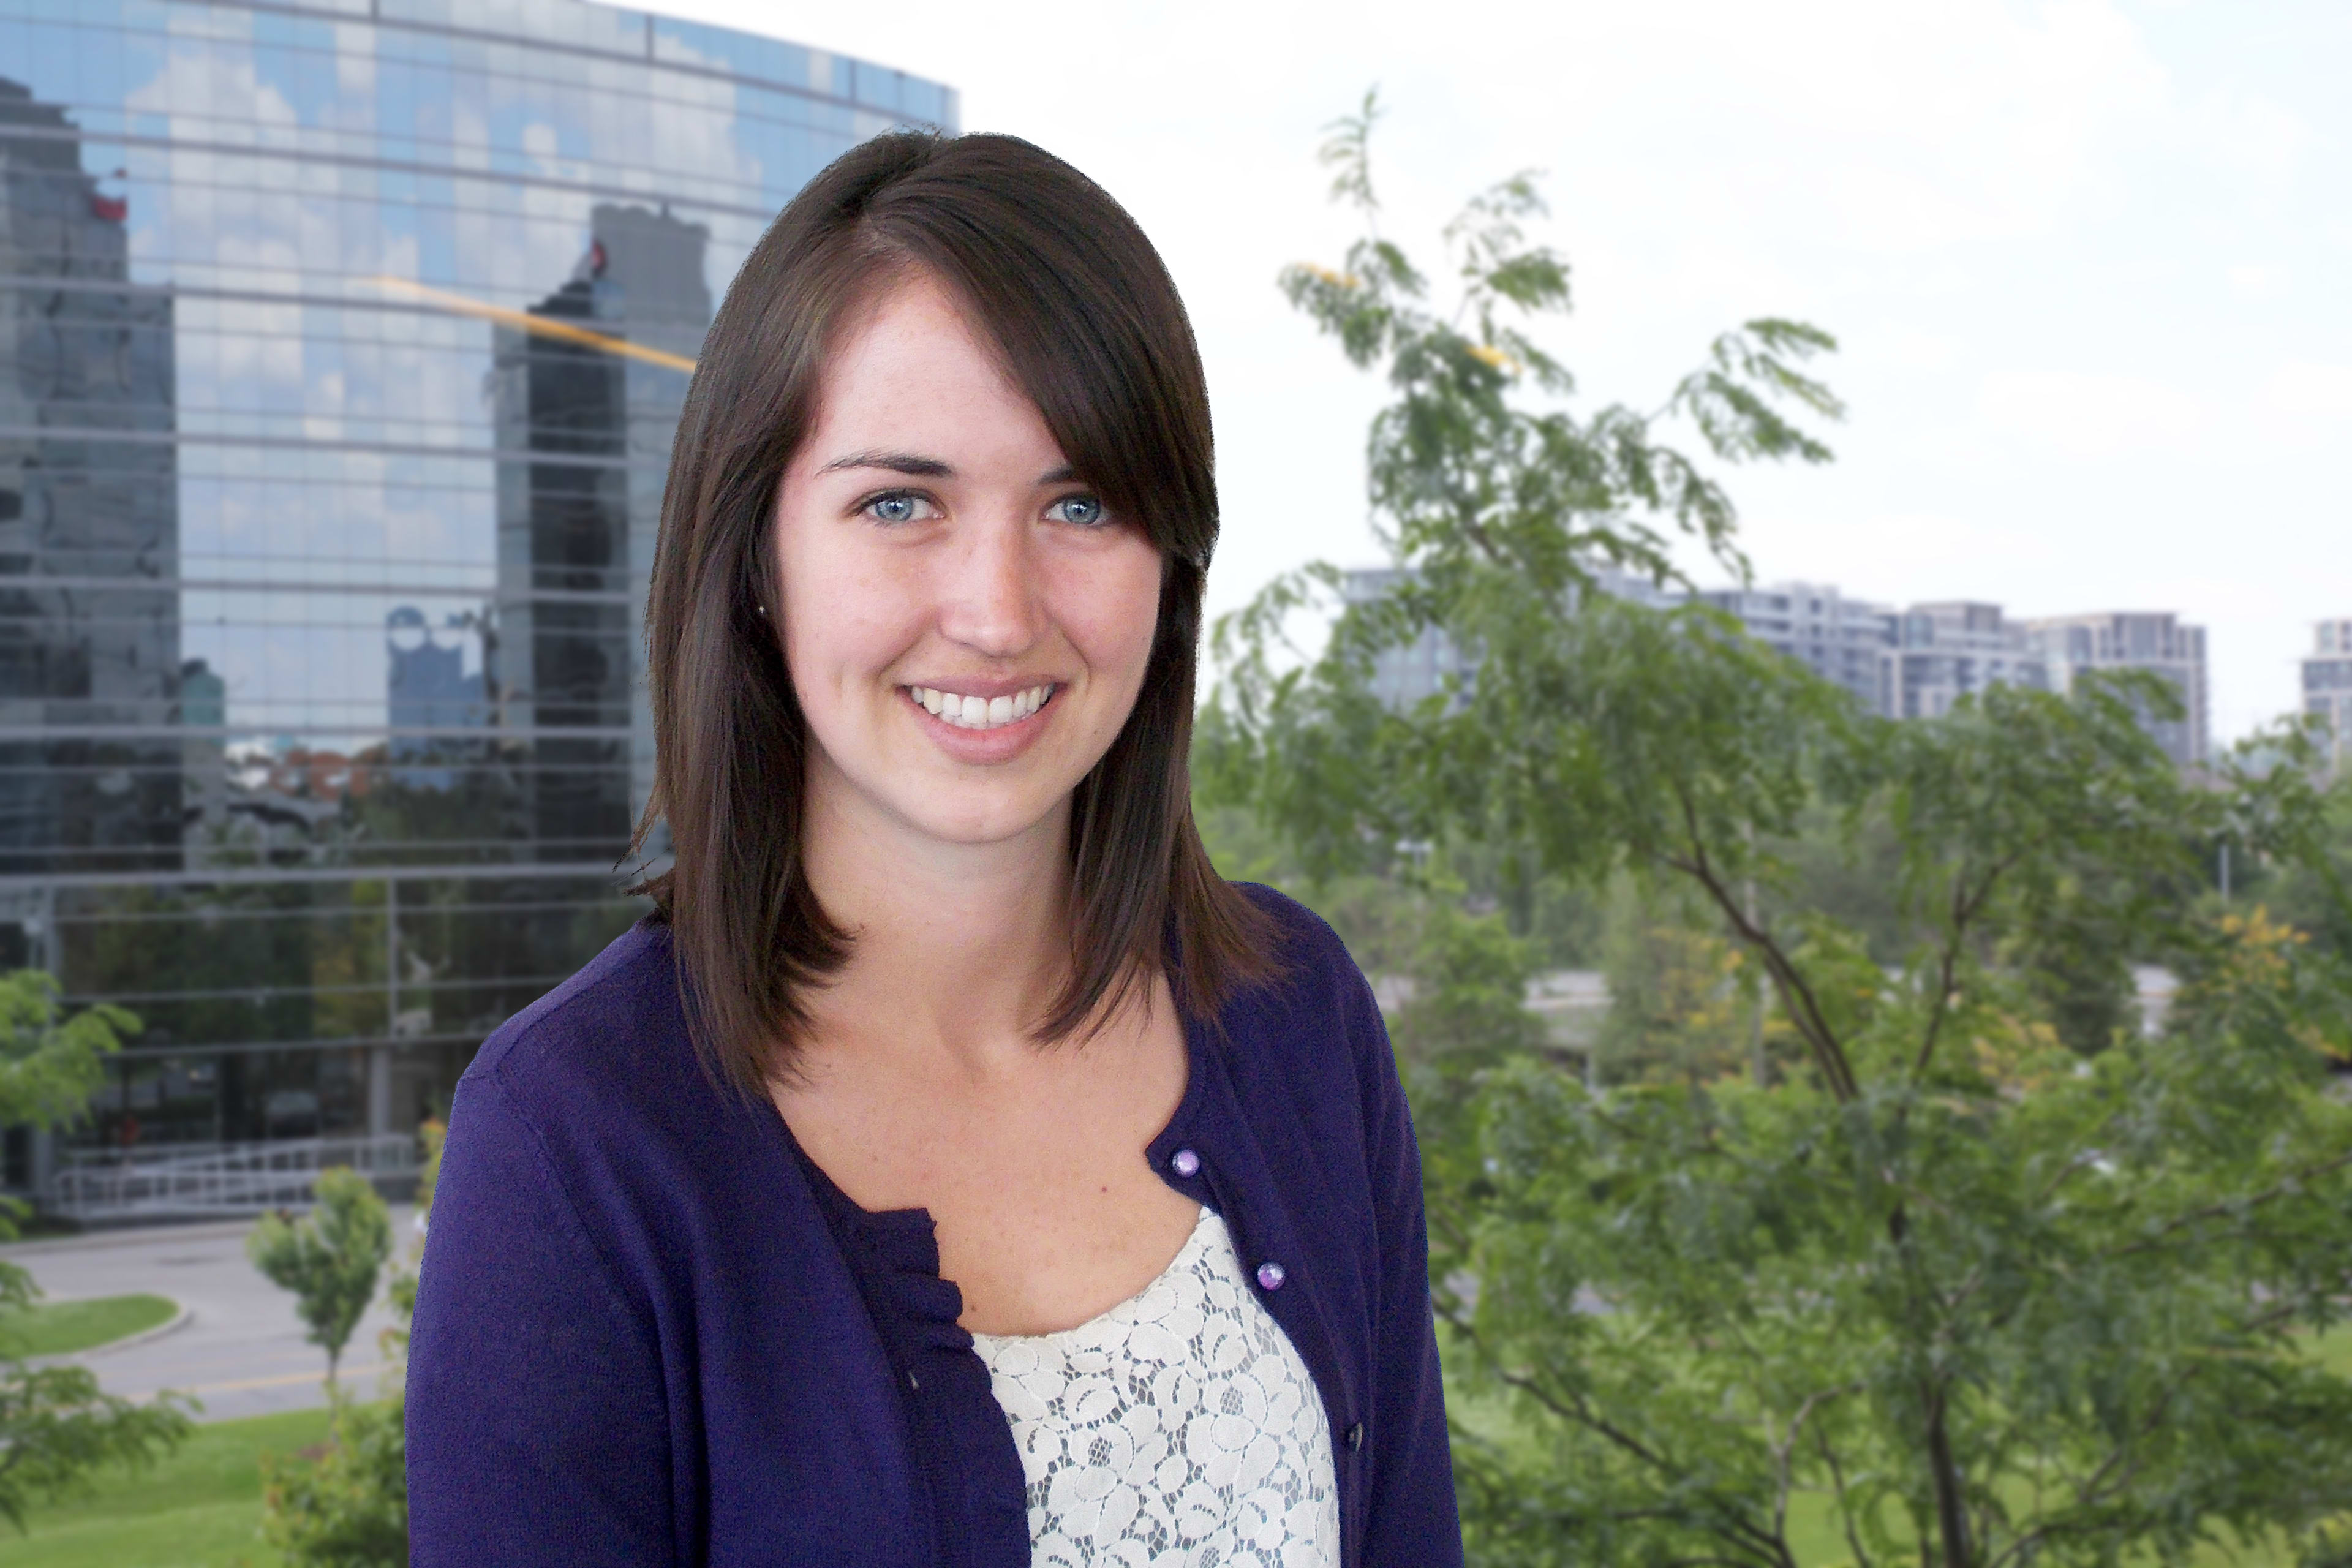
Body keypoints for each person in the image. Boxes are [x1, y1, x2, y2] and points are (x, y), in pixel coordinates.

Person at [405, 130, 1461, 1568]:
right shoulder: (576, 1140)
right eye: (899, 502)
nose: (997, 607)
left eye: (1079, 502)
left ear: (1173, 560)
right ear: (758, 557)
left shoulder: (1298, 1011)